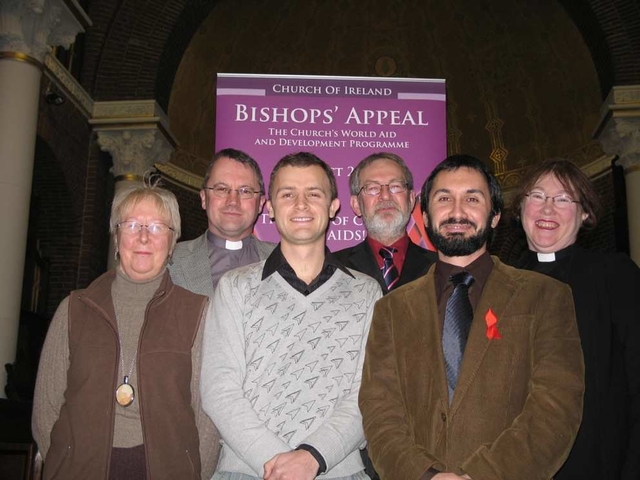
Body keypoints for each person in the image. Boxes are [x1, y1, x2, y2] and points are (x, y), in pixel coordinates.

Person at [358, 154, 585, 480]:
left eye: (472, 198)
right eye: (444, 198)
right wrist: (424, 475)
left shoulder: (546, 296)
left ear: (494, 216)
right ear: (424, 213)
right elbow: (380, 409)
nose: (457, 211)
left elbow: (555, 409)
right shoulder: (391, 308)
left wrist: (480, 476)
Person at [201, 152, 383, 480]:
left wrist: (312, 457)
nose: (301, 204)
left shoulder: (367, 293)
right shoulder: (235, 287)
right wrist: (279, 462)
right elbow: (219, 388)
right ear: (269, 207)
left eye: (313, 194)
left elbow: (369, 391)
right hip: (246, 470)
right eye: (288, 194)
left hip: (338, 470)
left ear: (333, 207)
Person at [32, 180, 216, 479]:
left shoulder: (197, 313)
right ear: (117, 238)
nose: (143, 237)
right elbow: (46, 409)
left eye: (157, 227)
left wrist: (194, 472)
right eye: (131, 225)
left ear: (172, 243)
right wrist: (63, 461)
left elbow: (206, 415)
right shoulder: (74, 309)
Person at [511, 158, 640, 480]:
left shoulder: (615, 275)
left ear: (585, 214)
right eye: (537, 196)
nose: (547, 209)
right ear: (520, 208)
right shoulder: (500, 283)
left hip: (597, 461)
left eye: (564, 199)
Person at [169, 148, 276, 298]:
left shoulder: (285, 260)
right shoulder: (171, 259)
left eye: (245, 191)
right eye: (221, 189)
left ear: (260, 204)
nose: (233, 201)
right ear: (204, 198)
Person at [335, 152, 437, 294]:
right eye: (373, 188)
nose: (385, 195)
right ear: (356, 205)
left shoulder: (440, 266)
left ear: (411, 200)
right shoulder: (333, 268)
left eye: (395, 186)